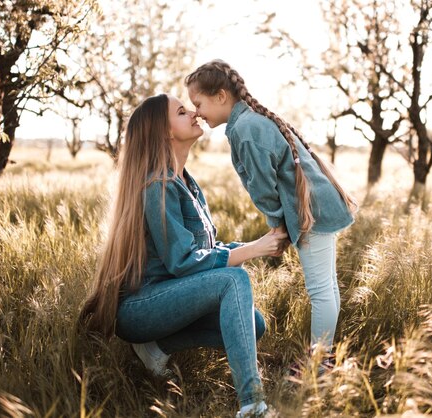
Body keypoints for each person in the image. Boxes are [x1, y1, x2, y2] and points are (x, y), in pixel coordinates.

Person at [78, 94, 287, 417]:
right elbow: (185, 262)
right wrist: (251, 251)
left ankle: (156, 348)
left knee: (254, 324)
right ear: (164, 132)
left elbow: (202, 253)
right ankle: (253, 404)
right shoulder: (156, 186)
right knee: (234, 281)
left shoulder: (185, 182)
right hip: (139, 308)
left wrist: (259, 243)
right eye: (182, 111)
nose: (194, 113)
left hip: (169, 298)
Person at [185, 59, 357, 372]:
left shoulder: (246, 129)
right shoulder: (247, 122)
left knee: (321, 290)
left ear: (221, 96)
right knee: (327, 287)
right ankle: (324, 358)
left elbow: (263, 188)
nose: (196, 111)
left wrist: (277, 227)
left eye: (198, 103)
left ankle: (320, 363)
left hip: (311, 212)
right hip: (316, 207)